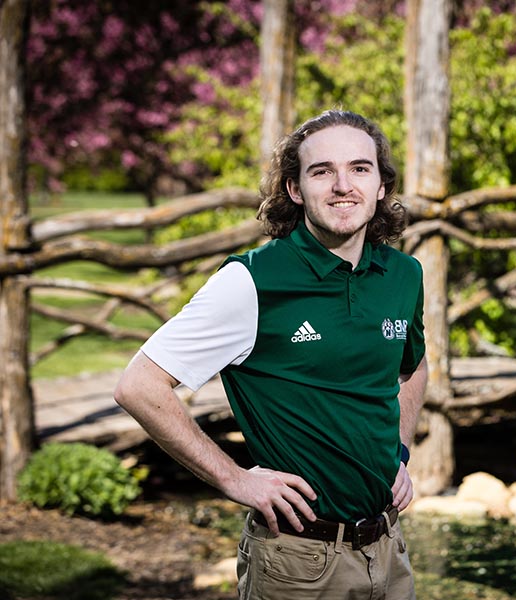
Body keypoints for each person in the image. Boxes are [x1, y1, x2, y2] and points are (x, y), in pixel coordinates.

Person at [114, 109, 428, 599]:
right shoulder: (252, 282)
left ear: (382, 186)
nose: (343, 185)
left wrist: (399, 453)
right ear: (295, 190)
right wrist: (235, 479)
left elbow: (412, 367)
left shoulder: (404, 275)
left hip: (388, 552)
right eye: (322, 171)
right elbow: (139, 386)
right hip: (299, 562)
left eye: (360, 169)